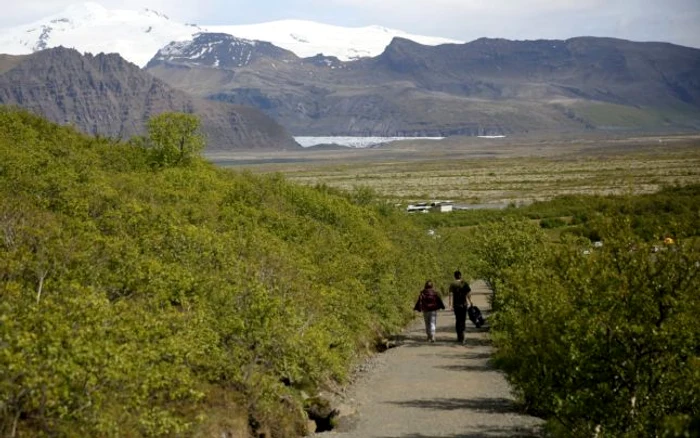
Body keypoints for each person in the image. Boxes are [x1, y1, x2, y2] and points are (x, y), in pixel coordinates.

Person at [448, 270, 472, 344]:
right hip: (464, 304)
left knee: (458, 320)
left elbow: (451, 294)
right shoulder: (464, 283)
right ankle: (463, 335)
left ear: (455, 276)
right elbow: (468, 293)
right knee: (463, 320)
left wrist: (450, 304)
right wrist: (470, 302)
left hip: (456, 305)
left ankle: (459, 336)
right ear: (460, 275)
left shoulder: (452, 284)